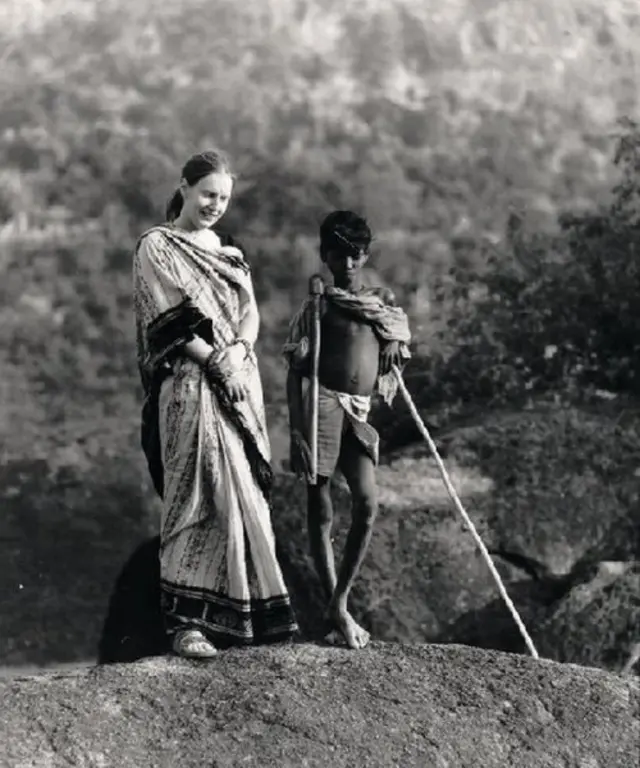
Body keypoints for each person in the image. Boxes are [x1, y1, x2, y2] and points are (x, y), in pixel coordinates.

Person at [133, 149, 298, 659]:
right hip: (189, 385)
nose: (215, 206)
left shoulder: (228, 251)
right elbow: (170, 322)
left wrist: (241, 352)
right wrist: (217, 363)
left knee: (245, 494)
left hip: (239, 386)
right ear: (184, 187)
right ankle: (187, 625)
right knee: (194, 496)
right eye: (208, 194)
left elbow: (250, 314)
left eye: (223, 198)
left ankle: (253, 619)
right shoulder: (156, 247)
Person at [283, 210, 411, 649]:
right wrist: (296, 433)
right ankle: (337, 612)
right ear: (326, 255)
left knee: (368, 504)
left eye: (356, 255)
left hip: (359, 410)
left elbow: (395, 334)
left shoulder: (381, 302)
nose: (349, 264)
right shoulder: (316, 307)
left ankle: (339, 602)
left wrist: (394, 342)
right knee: (320, 511)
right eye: (340, 255)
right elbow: (295, 373)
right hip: (321, 405)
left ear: (366, 254)